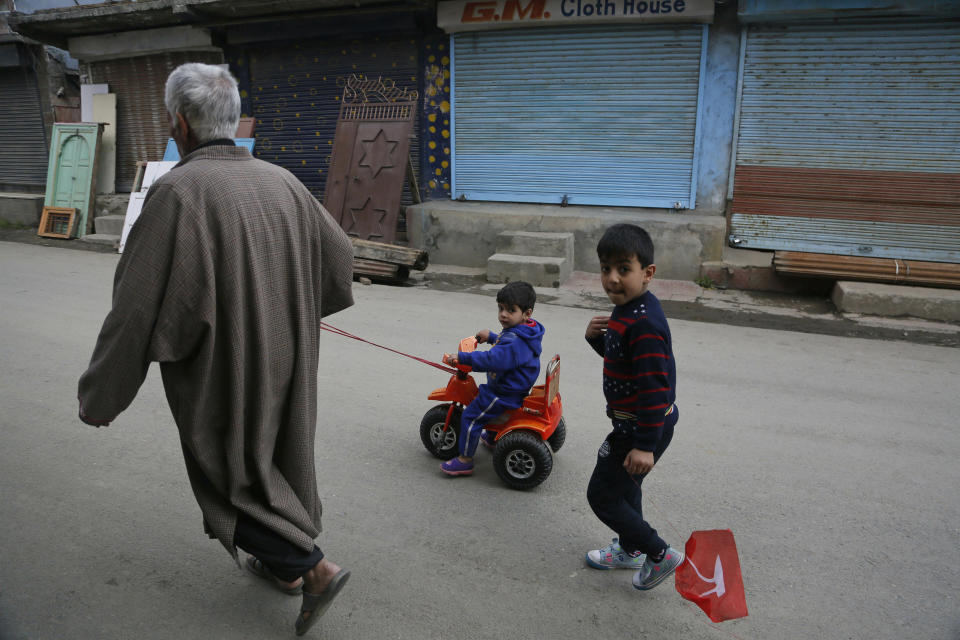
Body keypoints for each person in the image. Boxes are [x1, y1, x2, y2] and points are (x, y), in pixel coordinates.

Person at [77, 62, 355, 636]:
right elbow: (341, 258)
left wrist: (102, 397)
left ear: (179, 122)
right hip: (289, 354)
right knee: (276, 455)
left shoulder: (178, 191)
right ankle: (285, 571)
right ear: (230, 120)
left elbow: (135, 310)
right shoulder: (283, 181)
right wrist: (289, 310)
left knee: (227, 474)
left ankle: (314, 569)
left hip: (221, 364)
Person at [583, 224, 684, 591]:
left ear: (648, 273)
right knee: (626, 490)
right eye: (606, 268)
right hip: (638, 424)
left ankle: (658, 553)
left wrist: (644, 444)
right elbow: (625, 367)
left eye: (623, 269)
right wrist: (597, 339)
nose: (612, 279)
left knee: (603, 496)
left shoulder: (642, 323)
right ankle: (631, 549)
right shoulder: (628, 309)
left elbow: (654, 387)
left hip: (641, 426)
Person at [439, 281, 545, 476]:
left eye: (510, 310)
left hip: (503, 392)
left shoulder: (515, 340)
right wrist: (492, 337)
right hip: (514, 385)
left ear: (527, 313)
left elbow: (494, 359)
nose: (503, 314)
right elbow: (507, 347)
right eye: (501, 308)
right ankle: (492, 436)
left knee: (470, 415)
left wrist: (462, 358)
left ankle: (465, 460)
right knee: (483, 402)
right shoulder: (526, 331)